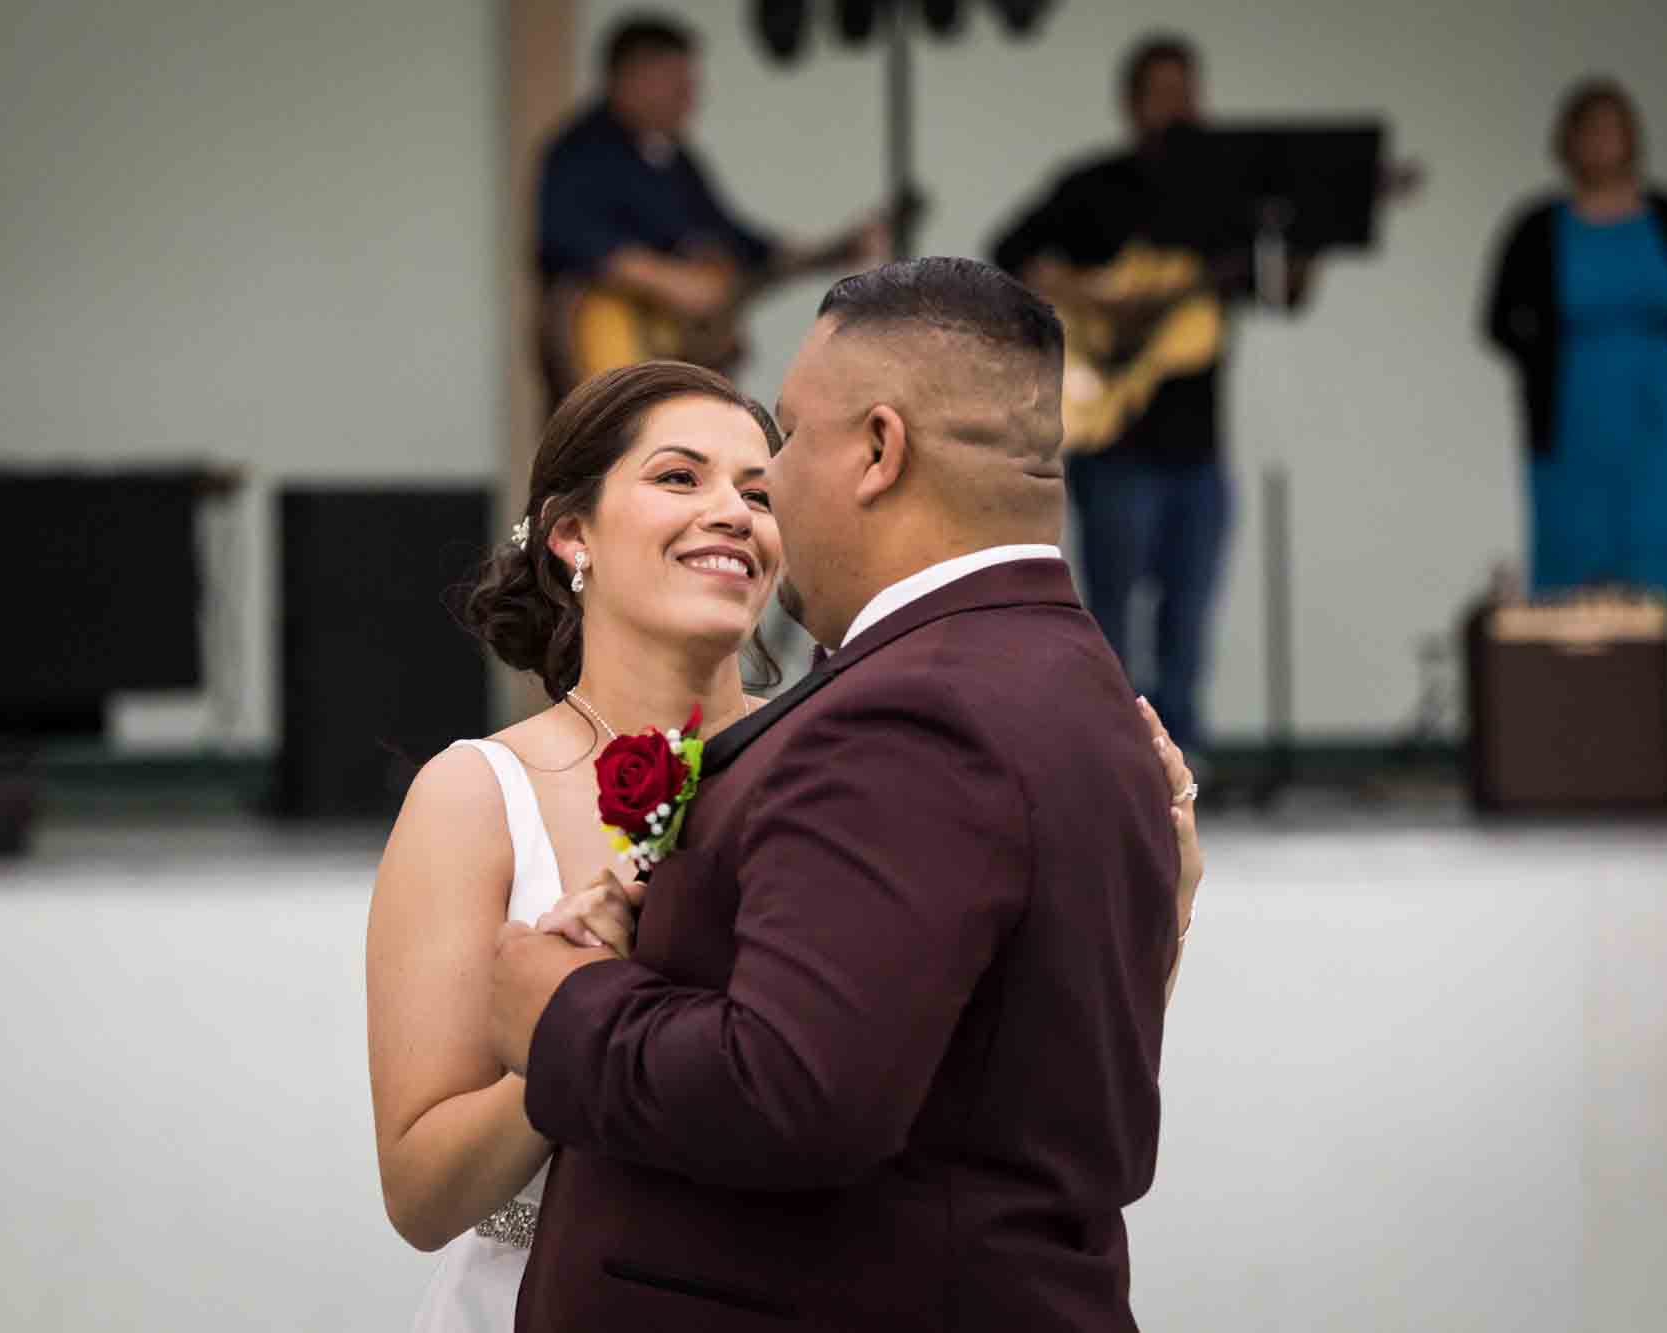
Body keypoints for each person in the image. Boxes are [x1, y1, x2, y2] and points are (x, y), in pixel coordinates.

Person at [368, 353, 1202, 1330]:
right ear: (569, 534)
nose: (732, 511)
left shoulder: (862, 760)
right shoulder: (475, 794)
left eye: (759, 490)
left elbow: (989, 1077)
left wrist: (1153, 910)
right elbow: (421, 1195)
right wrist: (565, 1030)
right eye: (679, 477)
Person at [989, 34, 1276, 760]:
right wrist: (1098, 302)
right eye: (1161, 91)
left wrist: (1297, 248)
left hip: (1200, 442)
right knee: (1111, 607)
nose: (1177, 105)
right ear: (1131, 102)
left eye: (1187, 89)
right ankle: (1113, 753)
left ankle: (1183, 754)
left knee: (1190, 608)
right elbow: (1009, 253)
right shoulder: (1092, 186)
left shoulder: (1227, 196)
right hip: (1113, 436)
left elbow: (1279, 287)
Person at [534, 12, 886, 401]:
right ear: (629, 77)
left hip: (674, 349)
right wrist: (670, 282)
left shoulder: (678, 161)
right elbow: (568, 237)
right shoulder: (578, 150)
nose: (689, 95)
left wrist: (825, 253)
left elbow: (732, 237)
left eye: (690, 82)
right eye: (675, 82)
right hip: (598, 338)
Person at [1484, 77, 1667, 600]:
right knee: (1579, 556)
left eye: (1612, 130)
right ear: (1566, 141)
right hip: (1574, 408)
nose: (1601, 142)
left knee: (1656, 549)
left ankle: (1651, 667)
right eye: (1589, 130)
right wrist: (1547, 353)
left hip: (1658, 405)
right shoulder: (1537, 226)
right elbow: (1498, 319)